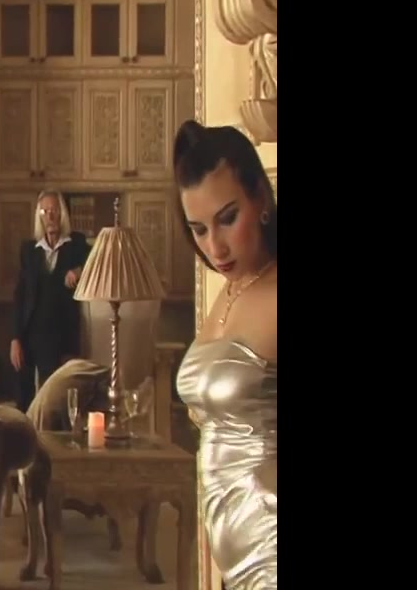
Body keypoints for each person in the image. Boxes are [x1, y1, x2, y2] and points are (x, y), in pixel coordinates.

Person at [172, 120, 277, 590]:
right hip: (235, 555)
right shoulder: (230, 292)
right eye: (198, 229)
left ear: (261, 199)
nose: (214, 246)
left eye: (227, 218)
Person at [8, 189, 92, 411]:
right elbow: (19, 296)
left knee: (54, 399)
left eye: (54, 210)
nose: (50, 216)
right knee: (23, 397)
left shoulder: (76, 244)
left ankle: (51, 431)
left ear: (62, 214)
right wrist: (15, 338)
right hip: (30, 333)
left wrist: (79, 270)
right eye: (45, 211)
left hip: (60, 334)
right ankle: (24, 429)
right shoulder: (29, 250)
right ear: (40, 216)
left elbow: (99, 260)